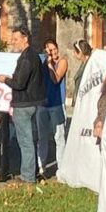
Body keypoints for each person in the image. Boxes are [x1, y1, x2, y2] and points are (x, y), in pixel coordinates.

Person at [0, 26, 45, 183]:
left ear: (25, 39)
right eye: (12, 39)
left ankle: (27, 176)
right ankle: (32, 172)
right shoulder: (34, 56)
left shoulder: (26, 58)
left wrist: (5, 80)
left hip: (24, 104)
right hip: (32, 102)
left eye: (16, 39)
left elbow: (19, 83)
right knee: (30, 139)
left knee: (25, 141)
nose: (13, 42)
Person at [37, 39, 67, 179]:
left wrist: (50, 64)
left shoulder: (62, 61)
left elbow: (56, 79)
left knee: (59, 137)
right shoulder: (41, 62)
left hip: (56, 104)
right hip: (43, 104)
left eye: (54, 49)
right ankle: (41, 167)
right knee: (42, 137)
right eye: (49, 50)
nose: (53, 52)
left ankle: (61, 168)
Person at [65, 39, 91, 111]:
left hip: (85, 102)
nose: (73, 54)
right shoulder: (83, 63)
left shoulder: (89, 64)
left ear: (80, 52)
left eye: (75, 52)